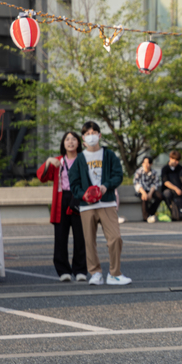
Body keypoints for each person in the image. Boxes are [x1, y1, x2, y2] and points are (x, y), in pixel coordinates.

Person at [69, 121, 132, 286]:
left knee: (115, 238)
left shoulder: (109, 155)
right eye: (87, 134)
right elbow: (73, 183)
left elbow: (118, 174)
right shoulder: (80, 159)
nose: (91, 136)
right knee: (89, 241)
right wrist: (84, 195)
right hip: (87, 206)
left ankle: (115, 273)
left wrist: (106, 186)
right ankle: (95, 272)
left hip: (107, 203)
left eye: (93, 133)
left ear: (99, 135)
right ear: (83, 137)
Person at [36, 131, 87, 282]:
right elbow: (42, 177)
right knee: (60, 237)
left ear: (79, 143)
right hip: (61, 199)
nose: (70, 142)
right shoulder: (58, 161)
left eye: (73, 139)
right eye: (67, 139)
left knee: (80, 237)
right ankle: (63, 270)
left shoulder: (83, 160)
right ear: (63, 144)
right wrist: (48, 161)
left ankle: (80, 270)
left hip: (78, 198)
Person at [133, 156, 163, 223]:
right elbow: (136, 183)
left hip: (151, 190)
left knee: (160, 196)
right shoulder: (139, 171)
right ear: (142, 164)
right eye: (144, 163)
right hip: (141, 190)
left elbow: (155, 184)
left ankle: (150, 213)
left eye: (148, 163)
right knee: (144, 197)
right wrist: (144, 193)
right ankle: (145, 217)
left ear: (151, 164)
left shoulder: (154, 172)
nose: (146, 165)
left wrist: (150, 193)